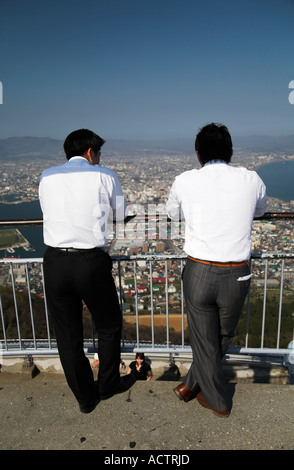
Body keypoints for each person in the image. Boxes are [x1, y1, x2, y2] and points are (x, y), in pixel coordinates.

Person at [166, 123, 267, 418]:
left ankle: (197, 388)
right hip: (237, 273)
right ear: (231, 152)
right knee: (223, 335)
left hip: (198, 271)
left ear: (198, 155)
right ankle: (215, 396)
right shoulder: (251, 178)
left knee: (204, 338)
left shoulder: (185, 180)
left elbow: (173, 214)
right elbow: (259, 210)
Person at [39, 129, 136, 413]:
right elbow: (119, 214)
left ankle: (85, 397)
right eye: (99, 154)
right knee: (108, 324)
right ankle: (108, 384)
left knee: (68, 335)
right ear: (91, 152)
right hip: (89, 261)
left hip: (55, 261)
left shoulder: (47, 176)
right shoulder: (103, 175)